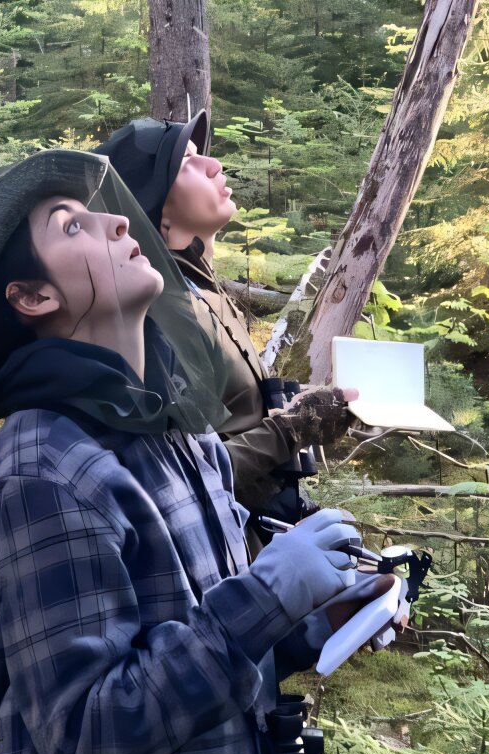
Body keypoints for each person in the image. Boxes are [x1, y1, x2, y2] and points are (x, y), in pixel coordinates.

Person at [0, 148, 393, 754]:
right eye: (70, 226)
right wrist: (265, 594)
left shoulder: (179, 439)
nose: (115, 221)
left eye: (98, 212)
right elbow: (84, 730)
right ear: (33, 297)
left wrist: (314, 622)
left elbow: (199, 648)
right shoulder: (43, 473)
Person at [93, 112, 353, 519]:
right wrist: (290, 429)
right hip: (234, 544)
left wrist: (305, 408)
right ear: (156, 210)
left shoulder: (202, 288)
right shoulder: (160, 315)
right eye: (185, 161)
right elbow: (182, 479)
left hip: (263, 530)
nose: (214, 164)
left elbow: (233, 417)